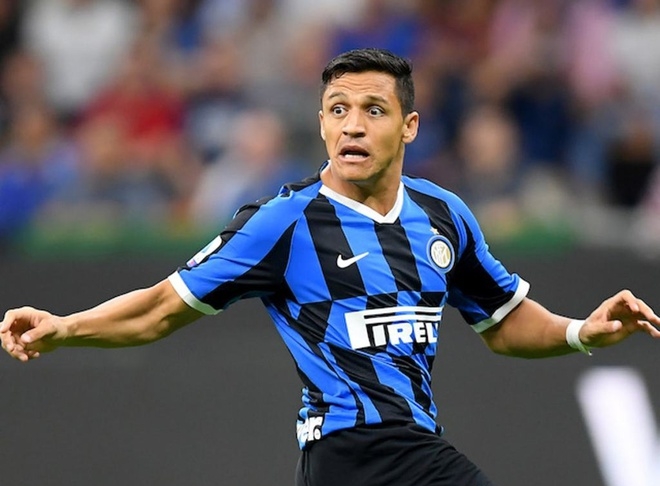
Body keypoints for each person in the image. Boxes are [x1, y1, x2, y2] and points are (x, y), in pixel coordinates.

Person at [2, 48, 659, 486]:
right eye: (338, 110)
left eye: (373, 110)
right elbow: (160, 308)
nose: (352, 125)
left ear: (409, 126)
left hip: (396, 454)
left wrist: (581, 331)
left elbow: (505, 322)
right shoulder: (283, 222)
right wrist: (65, 327)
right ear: (321, 124)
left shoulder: (443, 215)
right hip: (355, 450)